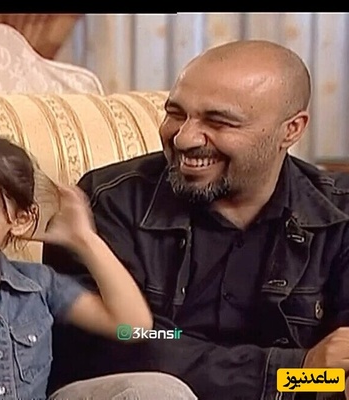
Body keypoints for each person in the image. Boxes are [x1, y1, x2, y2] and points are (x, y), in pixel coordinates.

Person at [43, 39, 349, 400]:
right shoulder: (107, 201)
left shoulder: (341, 212)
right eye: (175, 113)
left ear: (291, 129)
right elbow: (126, 341)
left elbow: (337, 369)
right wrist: (296, 371)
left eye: (218, 122)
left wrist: (309, 380)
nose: (185, 138)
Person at [0, 129, 197, 400]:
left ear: (21, 220)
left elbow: (133, 327)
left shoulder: (38, 286)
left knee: (159, 390)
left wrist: (84, 240)